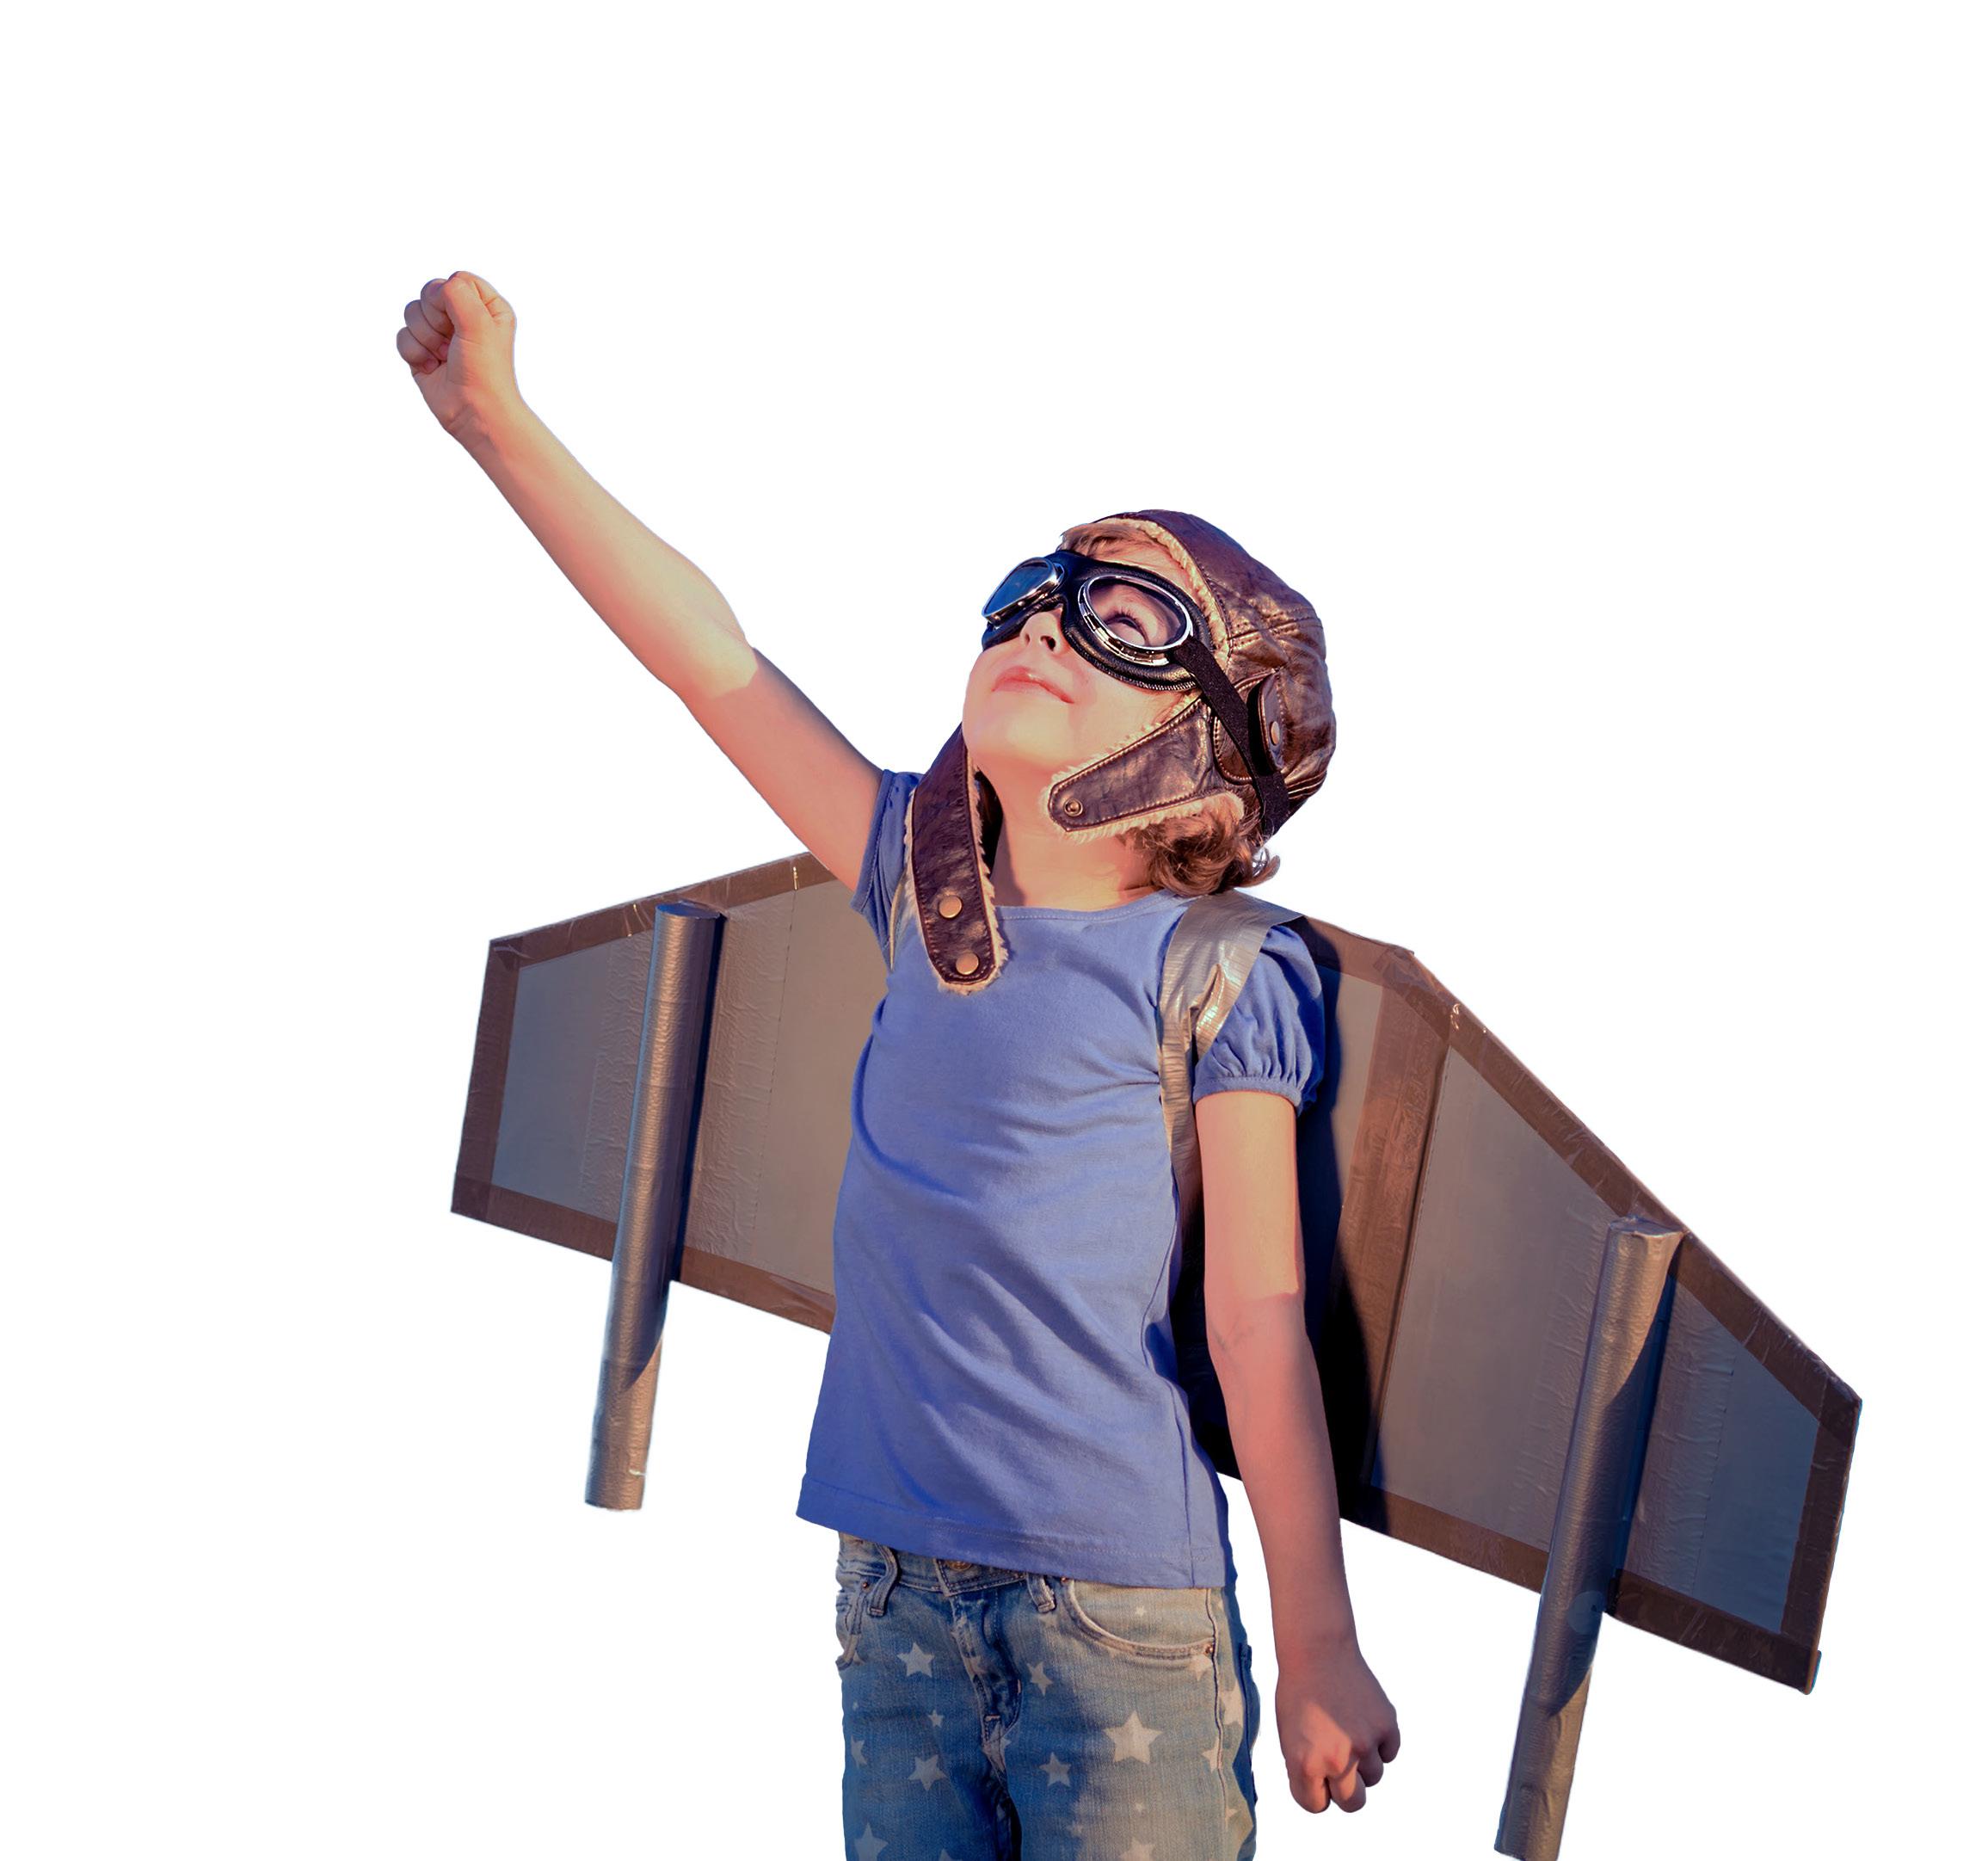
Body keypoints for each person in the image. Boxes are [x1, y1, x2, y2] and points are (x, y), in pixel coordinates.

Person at [400, 268, 1401, 1858]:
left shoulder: (1219, 972)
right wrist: (501, 430)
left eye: (1125, 622)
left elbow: (1257, 1319)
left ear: (1211, 743)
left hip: (1119, 1618)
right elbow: (713, 663)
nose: (1041, 628)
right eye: (1027, 594)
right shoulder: (914, 889)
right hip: (890, 1586)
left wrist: (1320, 1636)